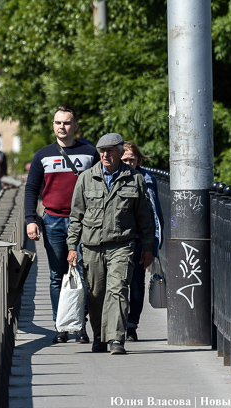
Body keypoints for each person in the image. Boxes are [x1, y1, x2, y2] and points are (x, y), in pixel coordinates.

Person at [66, 133, 155, 355]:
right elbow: (76, 216)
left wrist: (148, 248)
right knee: (96, 294)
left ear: (119, 152)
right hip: (92, 246)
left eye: (110, 151)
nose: (105, 155)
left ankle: (116, 338)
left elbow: (145, 218)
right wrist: (71, 247)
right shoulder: (86, 178)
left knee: (118, 290)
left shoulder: (135, 179)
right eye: (101, 151)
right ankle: (99, 336)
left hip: (121, 245)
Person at [24, 105, 99, 343]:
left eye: (66, 123)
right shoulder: (42, 155)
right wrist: (30, 220)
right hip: (53, 221)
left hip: (85, 221)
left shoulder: (90, 153)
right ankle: (61, 326)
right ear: (53, 125)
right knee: (57, 275)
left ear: (75, 126)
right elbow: (31, 190)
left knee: (85, 274)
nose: (62, 127)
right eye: (58, 123)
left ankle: (80, 326)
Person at [121, 141, 164, 341]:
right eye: (125, 160)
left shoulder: (147, 178)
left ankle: (131, 326)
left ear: (138, 159)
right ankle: (117, 325)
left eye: (132, 159)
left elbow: (156, 212)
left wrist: (154, 244)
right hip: (119, 240)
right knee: (117, 284)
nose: (129, 163)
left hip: (140, 240)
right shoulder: (112, 177)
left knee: (137, 284)